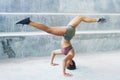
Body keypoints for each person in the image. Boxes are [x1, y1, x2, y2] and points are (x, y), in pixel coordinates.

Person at [16, 16, 105, 77]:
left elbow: (53, 52)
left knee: (80, 17)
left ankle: (99, 19)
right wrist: (64, 73)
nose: (65, 64)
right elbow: (63, 60)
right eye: (67, 65)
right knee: (49, 29)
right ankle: (29, 22)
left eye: (65, 66)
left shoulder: (64, 52)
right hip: (68, 34)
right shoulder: (71, 55)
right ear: (70, 63)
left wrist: (51, 62)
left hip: (68, 33)